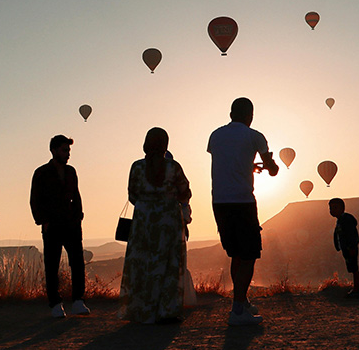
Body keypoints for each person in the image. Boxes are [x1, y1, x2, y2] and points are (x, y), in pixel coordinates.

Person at [207, 97, 279, 326]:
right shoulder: (255, 136)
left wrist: (250, 166)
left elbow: (229, 162)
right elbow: (274, 170)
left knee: (236, 254)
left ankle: (241, 300)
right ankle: (237, 310)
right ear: (250, 115)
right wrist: (269, 165)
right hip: (242, 201)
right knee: (249, 255)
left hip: (219, 201)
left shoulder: (215, 136)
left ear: (230, 114)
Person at [118, 128, 192, 323]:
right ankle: (166, 310)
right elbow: (185, 192)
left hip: (143, 220)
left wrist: (147, 204)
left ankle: (142, 309)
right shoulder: (173, 167)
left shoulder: (137, 167)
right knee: (168, 263)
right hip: (168, 220)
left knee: (143, 263)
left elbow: (132, 195)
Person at [30, 135, 89, 318]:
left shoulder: (71, 172)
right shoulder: (41, 173)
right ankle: (55, 304)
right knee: (52, 265)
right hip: (53, 226)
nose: (68, 154)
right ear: (54, 150)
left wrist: (79, 216)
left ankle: (78, 301)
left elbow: (77, 195)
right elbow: (34, 200)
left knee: (77, 263)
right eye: (64, 150)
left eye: (69, 150)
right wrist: (43, 221)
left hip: (71, 224)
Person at [328, 198, 359, 297]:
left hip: (350, 248)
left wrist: (352, 247)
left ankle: (358, 288)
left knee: (354, 268)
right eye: (331, 208)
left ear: (342, 208)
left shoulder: (346, 220)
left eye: (335, 208)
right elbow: (338, 235)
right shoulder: (341, 220)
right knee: (352, 267)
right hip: (346, 248)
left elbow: (352, 234)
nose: (332, 210)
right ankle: (357, 288)